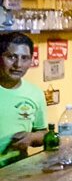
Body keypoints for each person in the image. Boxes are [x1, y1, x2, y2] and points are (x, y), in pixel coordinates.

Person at [0, 32, 47, 167]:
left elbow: (42, 132)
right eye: (11, 57)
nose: (18, 64)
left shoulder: (35, 93)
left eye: (24, 58)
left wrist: (31, 138)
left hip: (17, 171)